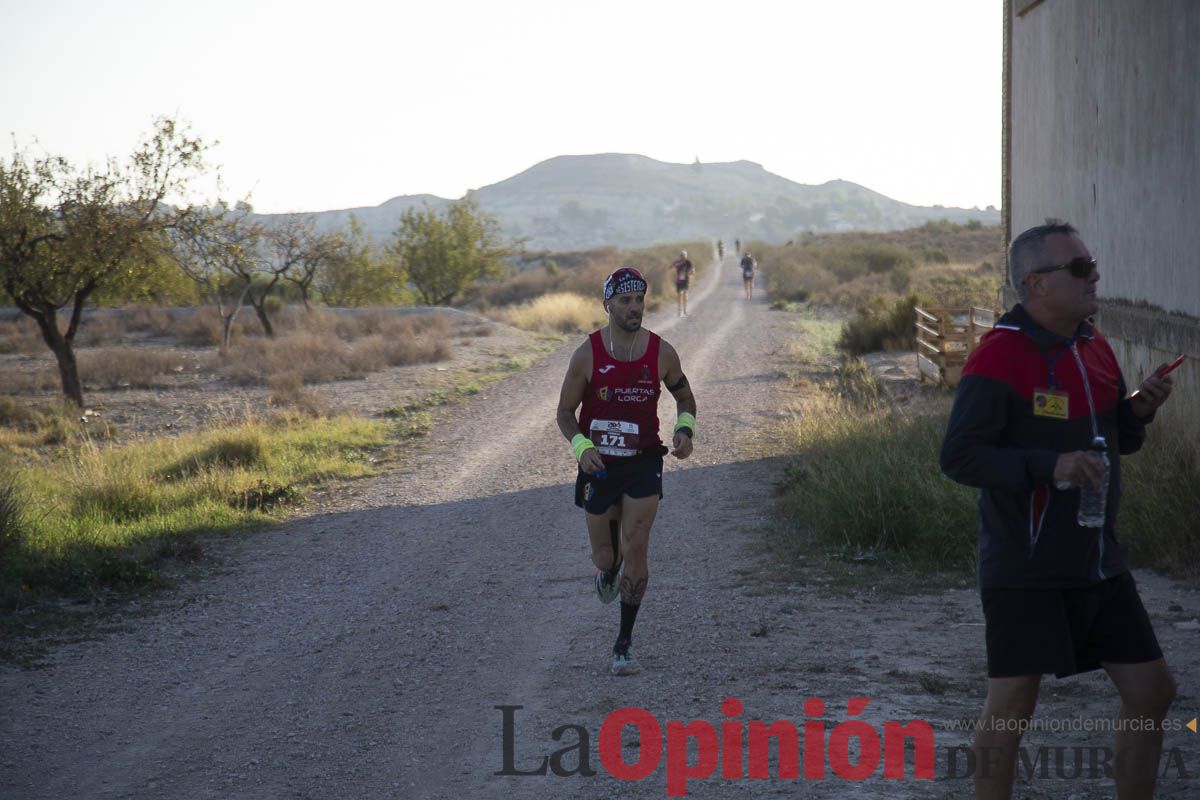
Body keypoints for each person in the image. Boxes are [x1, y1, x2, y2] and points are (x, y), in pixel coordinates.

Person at [940, 221, 1176, 800]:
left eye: (1091, 264)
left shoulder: (1094, 344)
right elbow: (960, 457)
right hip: (1026, 564)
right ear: (1036, 283)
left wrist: (1138, 411)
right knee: (1013, 704)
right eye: (1078, 268)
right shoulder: (999, 354)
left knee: (1152, 691)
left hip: (1098, 559)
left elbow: (1116, 439)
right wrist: (1051, 466)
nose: (1094, 276)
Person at [556, 266, 697, 676]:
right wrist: (581, 447)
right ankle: (609, 567)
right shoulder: (587, 355)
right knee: (605, 556)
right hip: (599, 463)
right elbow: (565, 412)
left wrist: (684, 429)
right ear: (608, 305)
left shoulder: (661, 352)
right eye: (625, 301)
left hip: (643, 461)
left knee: (637, 544)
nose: (635, 307)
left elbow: (686, 399)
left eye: (639, 300)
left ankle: (624, 643)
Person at [670, 249, 694, 317]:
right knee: (680, 295)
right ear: (680, 256)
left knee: (685, 295)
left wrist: (691, 273)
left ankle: (685, 311)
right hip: (679, 280)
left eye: (684, 255)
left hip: (686, 280)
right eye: (681, 255)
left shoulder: (688, 262)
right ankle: (679, 311)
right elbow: (670, 267)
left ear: (686, 256)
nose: (683, 256)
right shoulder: (677, 262)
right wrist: (674, 265)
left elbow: (693, 270)